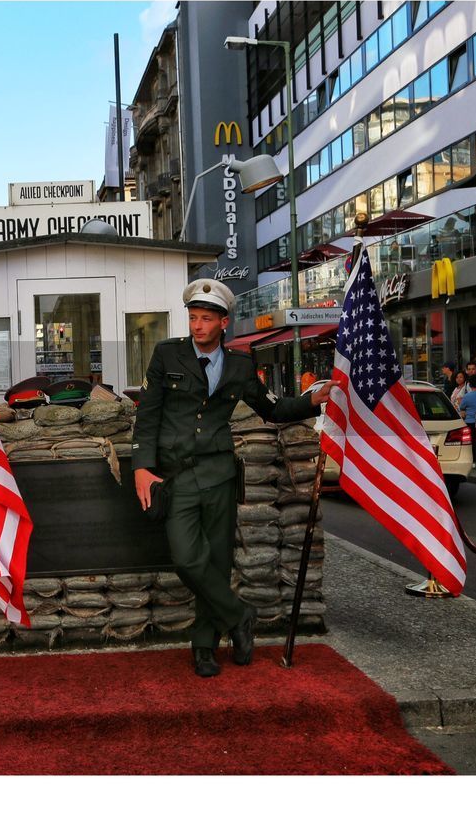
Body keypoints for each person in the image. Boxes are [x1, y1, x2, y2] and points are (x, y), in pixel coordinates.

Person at [133, 279, 330, 678]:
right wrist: (141, 467)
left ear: (224, 322)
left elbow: (270, 408)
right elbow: (148, 415)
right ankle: (239, 614)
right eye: (193, 317)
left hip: (220, 474)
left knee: (217, 561)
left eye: (206, 319)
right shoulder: (167, 355)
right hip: (178, 476)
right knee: (188, 558)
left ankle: (204, 646)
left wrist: (312, 400)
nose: (197, 326)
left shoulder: (239, 365)